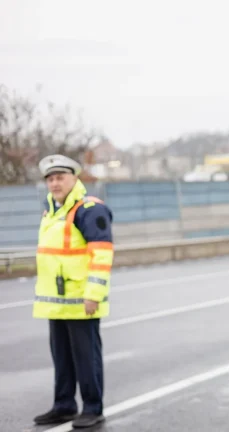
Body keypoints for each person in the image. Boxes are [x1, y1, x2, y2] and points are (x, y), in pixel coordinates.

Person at [32, 154, 114, 429]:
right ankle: (64, 405)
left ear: (74, 179)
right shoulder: (51, 211)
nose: (55, 183)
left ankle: (93, 407)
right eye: (50, 179)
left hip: (81, 300)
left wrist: (93, 294)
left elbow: (101, 256)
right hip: (56, 301)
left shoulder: (89, 209)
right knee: (62, 359)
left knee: (86, 358)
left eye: (60, 177)